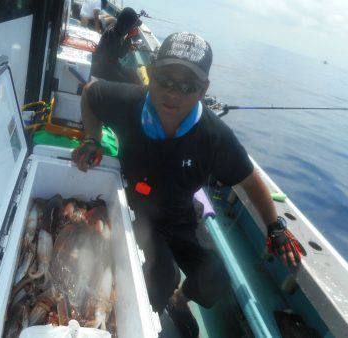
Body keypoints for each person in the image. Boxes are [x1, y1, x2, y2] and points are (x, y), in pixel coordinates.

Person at [73, 32, 304, 337]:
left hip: (180, 216)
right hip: (135, 211)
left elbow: (249, 179)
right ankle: (150, 309)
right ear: (151, 73)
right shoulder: (128, 101)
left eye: (187, 86)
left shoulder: (214, 136)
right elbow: (90, 93)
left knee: (216, 280)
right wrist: (91, 138)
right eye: (166, 79)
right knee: (161, 277)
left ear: (203, 89)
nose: (174, 93)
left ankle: (180, 301)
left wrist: (275, 227)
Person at [90, 7, 142, 84]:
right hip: (103, 68)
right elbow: (121, 54)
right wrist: (129, 37)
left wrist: (129, 44)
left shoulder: (116, 28)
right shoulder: (113, 34)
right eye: (132, 26)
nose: (133, 28)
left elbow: (117, 49)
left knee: (133, 74)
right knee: (130, 82)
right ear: (126, 25)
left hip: (109, 63)